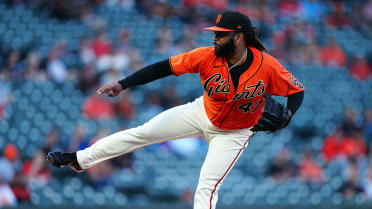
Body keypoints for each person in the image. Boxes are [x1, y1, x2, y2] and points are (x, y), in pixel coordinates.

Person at [47, 11, 305, 209]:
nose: (214, 38)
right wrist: (124, 83)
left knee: (206, 187)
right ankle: (81, 159)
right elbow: (163, 67)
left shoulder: (267, 66)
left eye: (220, 34)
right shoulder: (206, 56)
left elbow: (296, 90)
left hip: (234, 133)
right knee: (142, 133)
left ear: (239, 37)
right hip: (201, 112)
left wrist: (290, 114)